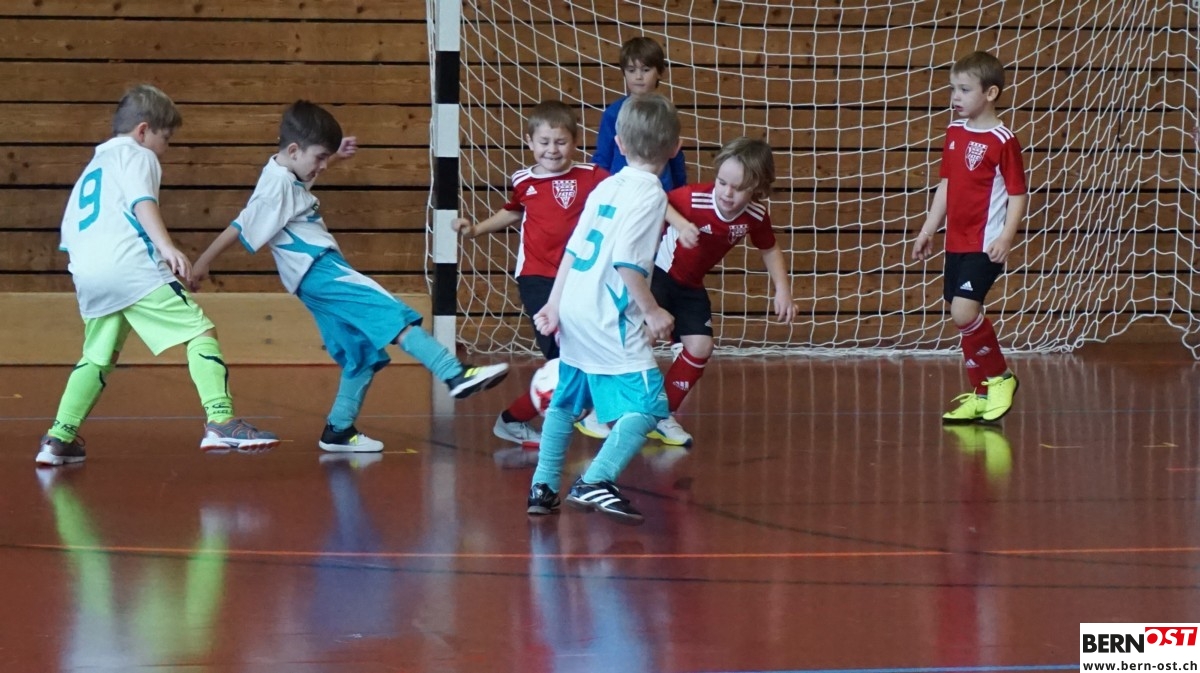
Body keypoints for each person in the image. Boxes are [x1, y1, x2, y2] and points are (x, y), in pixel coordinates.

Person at [189, 101, 509, 453]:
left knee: (360, 353)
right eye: (320, 157)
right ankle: (453, 373)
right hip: (321, 269)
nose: (323, 166)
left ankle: (338, 430)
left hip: (307, 283)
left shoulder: (285, 170)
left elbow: (299, 181)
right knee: (391, 314)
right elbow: (240, 226)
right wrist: (203, 262)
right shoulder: (276, 186)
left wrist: (335, 156)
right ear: (294, 150)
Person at [36, 84, 279, 466]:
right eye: (166, 139)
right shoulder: (137, 154)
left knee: (96, 356)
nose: (165, 148)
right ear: (143, 130)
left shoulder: (94, 167)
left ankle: (59, 438)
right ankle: (221, 419)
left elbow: (70, 233)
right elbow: (141, 201)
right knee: (200, 331)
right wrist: (166, 248)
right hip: (129, 266)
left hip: (87, 272)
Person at [526, 92, 682, 525]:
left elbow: (574, 250)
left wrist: (554, 304)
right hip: (607, 315)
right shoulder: (651, 194)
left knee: (566, 399)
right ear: (675, 147)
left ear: (619, 142)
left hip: (574, 304)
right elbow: (628, 262)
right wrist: (652, 311)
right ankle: (597, 479)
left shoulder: (606, 185)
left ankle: (542, 487)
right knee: (651, 405)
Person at [452, 101, 610, 448]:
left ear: (575, 142)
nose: (552, 150)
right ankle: (566, 413)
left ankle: (521, 419)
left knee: (584, 352)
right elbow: (513, 211)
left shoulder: (593, 176)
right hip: (536, 278)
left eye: (561, 142)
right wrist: (476, 229)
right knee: (561, 357)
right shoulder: (523, 180)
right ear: (529, 142)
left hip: (580, 279)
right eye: (544, 142)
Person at [651, 137, 795, 446]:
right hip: (658, 275)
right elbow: (655, 200)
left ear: (757, 187)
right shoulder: (694, 199)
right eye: (722, 182)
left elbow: (769, 248)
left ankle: (661, 415)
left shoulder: (755, 215)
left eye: (738, 187)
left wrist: (782, 290)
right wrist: (681, 224)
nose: (727, 193)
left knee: (701, 347)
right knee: (642, 336)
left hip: (690, 286)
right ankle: (608, 408)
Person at [912, 51, 1027, 423]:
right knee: (961, 317)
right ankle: (981, 393)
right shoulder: (955, 132)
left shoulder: (1003, 140)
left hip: (985, 243)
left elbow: (1017, 194)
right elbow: (946, 185)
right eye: (953, 89)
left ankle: (1001, 377)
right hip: (955, 242)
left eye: (964, 89)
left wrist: (1006, 237)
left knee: (964, 311)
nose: (955, 97)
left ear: (990, 93)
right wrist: (928, 229)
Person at [591, 36, 687, 192]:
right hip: (621, 191)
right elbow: (603, 158)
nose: (638, 76)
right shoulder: (613, 113)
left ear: (660, 72)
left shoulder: (665, 112)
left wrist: (680, 190)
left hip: (661, 189)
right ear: (624, 72)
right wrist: (600, 190)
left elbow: (675, 155)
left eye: (646, 70)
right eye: (631, 70)